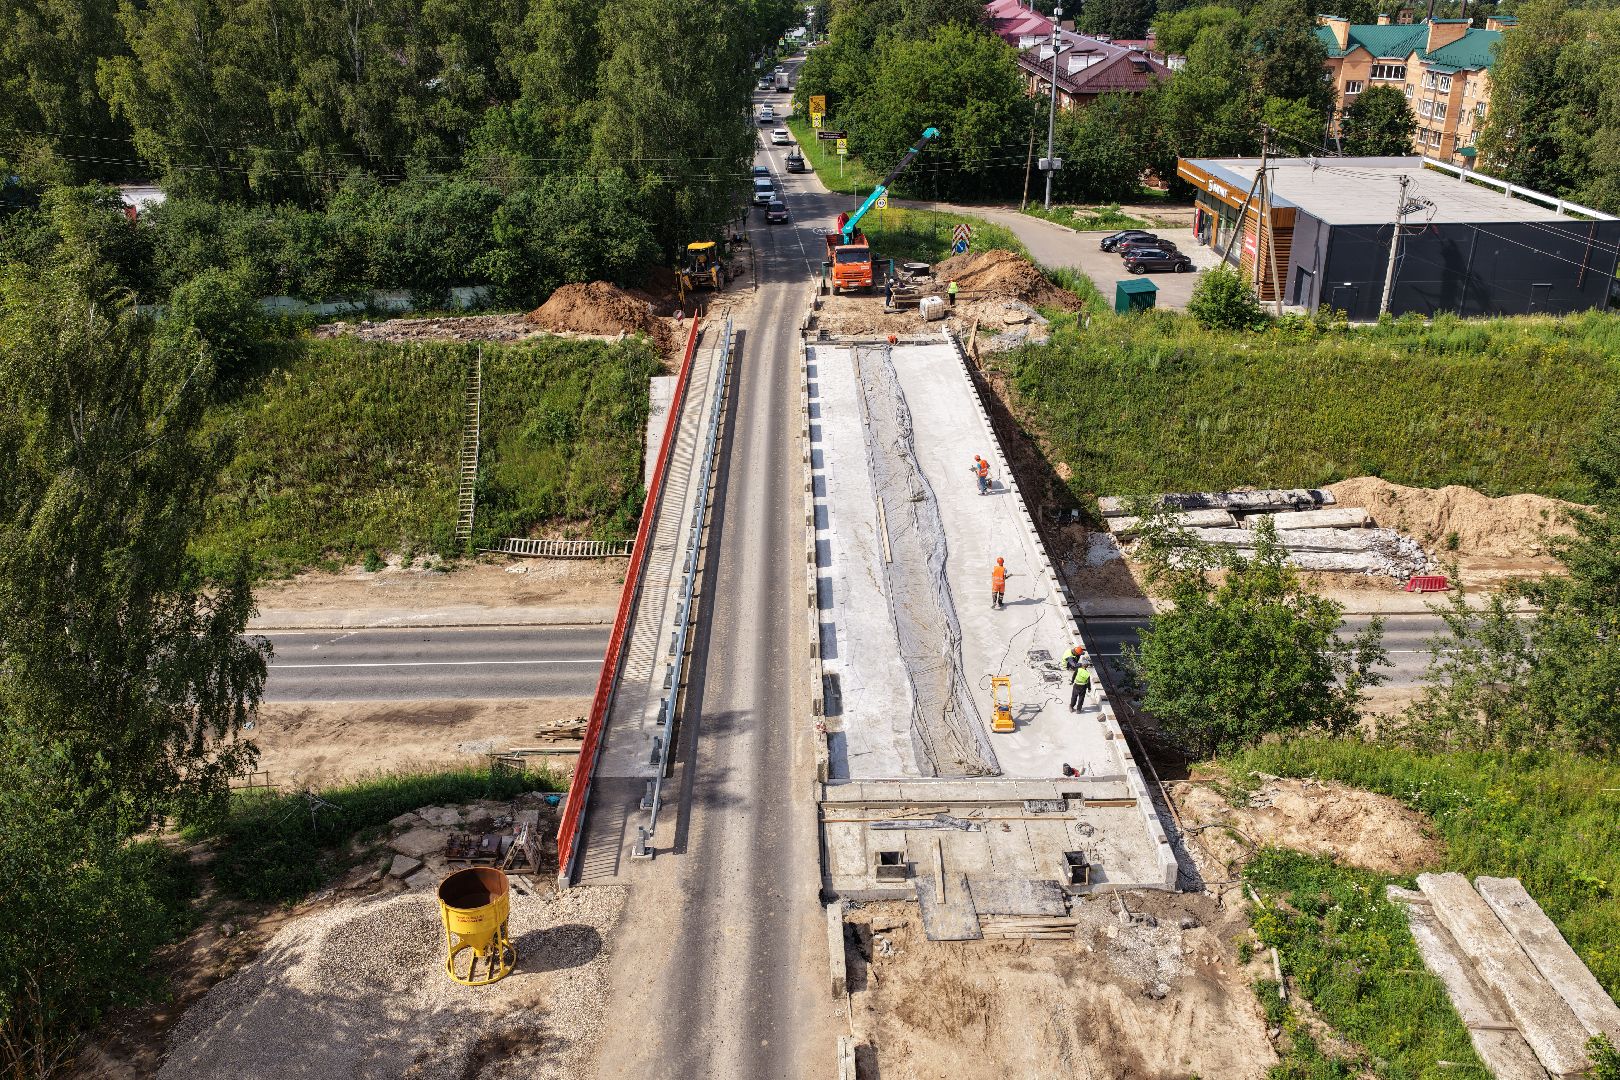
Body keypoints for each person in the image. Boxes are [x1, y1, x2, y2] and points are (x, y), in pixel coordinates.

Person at [1065, 646, 1091, 713]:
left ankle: (1071, 707)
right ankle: (1078, 710)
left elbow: (1074, 675)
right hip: (1083, 687)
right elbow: (1088, 682)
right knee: (1081, 698)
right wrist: (1089, 688)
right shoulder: (1087, 674)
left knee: (1074, 697)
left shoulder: (1078, 669)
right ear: (1087, 666)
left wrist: (1072, 681)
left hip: (1076, 685)